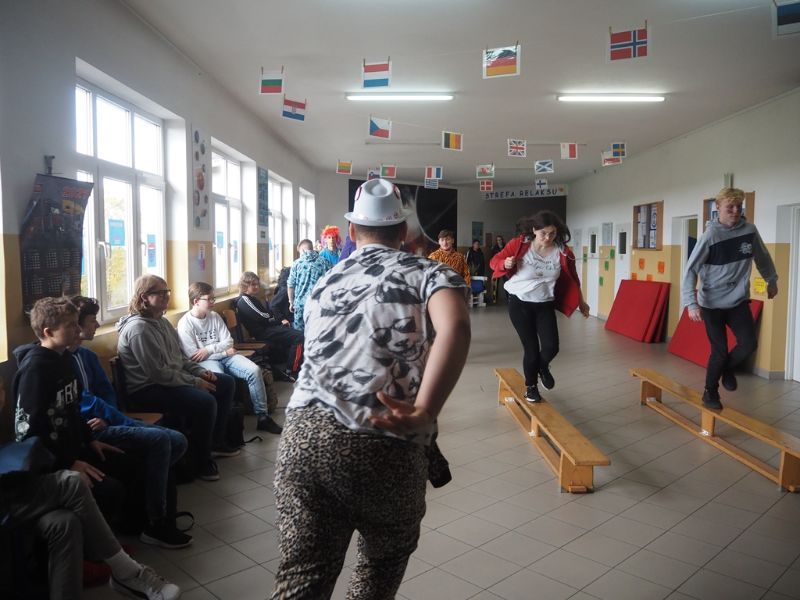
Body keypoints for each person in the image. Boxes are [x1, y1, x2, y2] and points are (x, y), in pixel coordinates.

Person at [271, 178, 471, 599]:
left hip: (303, 438)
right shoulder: (429, 272)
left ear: (351, 231)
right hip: (384, 439)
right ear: (404, 231)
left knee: (302, 576)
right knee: (378, 569)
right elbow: (455, 326)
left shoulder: (326, 281)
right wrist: (426, 411)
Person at [69, 295, 192, 549]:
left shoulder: (87, 356)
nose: (96, 325)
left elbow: (106, 392)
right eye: (92, 320)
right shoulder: (57, 363)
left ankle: (147, 509)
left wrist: (110, 417)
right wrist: (112, 420)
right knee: (160, 440)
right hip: (90, 431)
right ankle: (156, 521)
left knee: (177, 441)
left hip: (108, 421)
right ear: (75, 325)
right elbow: (81, 403)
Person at [13, 297, 129, 520]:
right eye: (71, 325)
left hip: (74, 448)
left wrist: (90, 439)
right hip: (51, 461)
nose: (78, 329)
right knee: (110, 490)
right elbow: (28, 432)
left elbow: (73, 409)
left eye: (77, 323)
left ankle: (138, 529)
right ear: (48, 332)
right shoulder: (34, 370)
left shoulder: (66, 358)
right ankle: (98, 540)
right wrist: (68, 463)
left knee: (128, 462)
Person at [116, 275, 237, 482]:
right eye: (160, 293)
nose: (166, 296)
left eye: (167, 292)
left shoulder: (162, 322)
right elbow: (158, 373)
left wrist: (198, 372)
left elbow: (179, 358)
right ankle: (201, 461)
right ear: (144, 297)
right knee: (205, 401)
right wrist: (195, 382)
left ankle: (215, 442)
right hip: (147, 389)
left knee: (225, 382)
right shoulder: (139, 329)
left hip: (168, 380)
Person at [1, 469, 181, 600]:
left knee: (65, 522)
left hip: (17, 486)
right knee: (72, 482)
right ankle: (127, 572)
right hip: (8, 495)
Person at [681, 187, 778, 409]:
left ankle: (727, 368)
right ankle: (710, 392)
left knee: (749, 344)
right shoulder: (710, 236)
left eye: (738, 207)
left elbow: (762, 257)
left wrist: (771, 280)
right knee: (720, 352)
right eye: (730, 207)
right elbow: (690, 270)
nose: (735, 211)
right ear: (718, 208)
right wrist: (691, 303)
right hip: (711, 304)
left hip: (737, 301)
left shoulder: (749, 231)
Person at [490, 211, 590, 402]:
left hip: (544, 304)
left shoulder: (563, 252)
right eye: (544, 233)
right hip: (519, 302)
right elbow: (494, 262)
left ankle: (542, 367)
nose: (547, 237)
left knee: (552, 347)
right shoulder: (519, 245)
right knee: (532, 350)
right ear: (534, 230)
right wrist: (505, 263)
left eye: (552, 233)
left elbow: (574, 279)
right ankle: (531, 387)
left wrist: (582, 302)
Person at [177, 282, 283, 434]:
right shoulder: (185, 324)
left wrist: (208, 349)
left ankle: (263, 417)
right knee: (222, 380)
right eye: (209, 299)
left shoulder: (214, 316)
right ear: (196, 301)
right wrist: (223, 352)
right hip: (208, 361)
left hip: (225, 356)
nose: (213, 302)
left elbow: (228, 342)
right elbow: (194, 356)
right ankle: (225, 425)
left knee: (254, 371)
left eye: (213, 298)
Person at [236, 271, 304, 378]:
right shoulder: (244, 300)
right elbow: (263, 316)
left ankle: (291, 366)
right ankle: (292, 370)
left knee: (294, 333)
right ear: (245, 286)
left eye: (257, 284)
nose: (257, 287)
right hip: (263, 332)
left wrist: (274, 319)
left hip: (268, 328)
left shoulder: (252, 298)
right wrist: (274, 319)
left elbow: (267, 315)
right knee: (299, 337)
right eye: (253, 284)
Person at [287, 239, 332, 331]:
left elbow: (291, 285)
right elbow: (332, 282)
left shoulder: (296, 263)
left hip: (300, 306)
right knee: (317, 331)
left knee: (299, 334)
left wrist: (291, 302)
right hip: (319, 305)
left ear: (303, 250)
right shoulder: (325, 262)